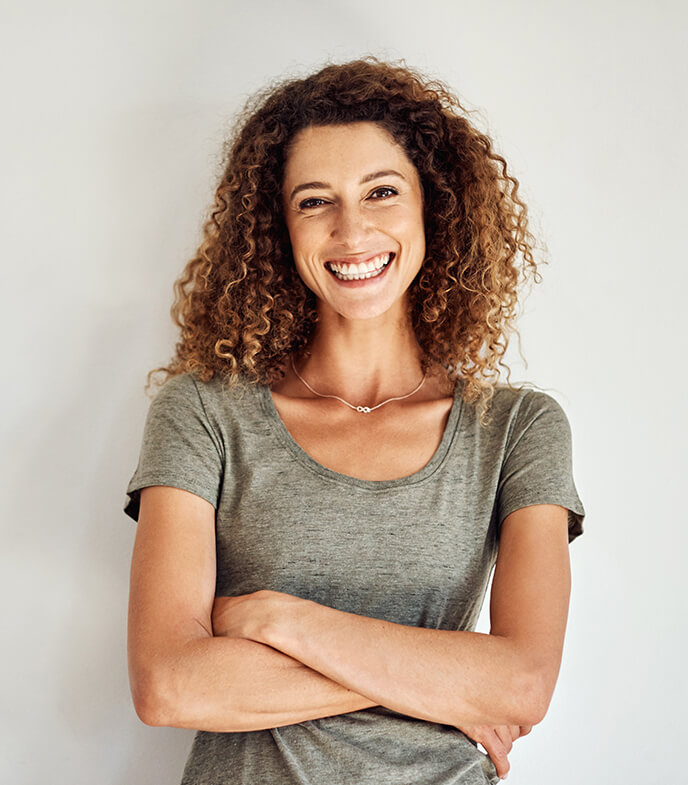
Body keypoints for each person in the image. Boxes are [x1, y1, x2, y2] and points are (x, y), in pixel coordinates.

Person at [124, 58, 584, 785]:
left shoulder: (517, 430)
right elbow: (169, 685)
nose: (351, 229)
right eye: (314, 201)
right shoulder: (204, 411)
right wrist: (445, 677)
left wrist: (278, 619)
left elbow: (523, 684)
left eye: (381, 191)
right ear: (279, 226)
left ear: (432, 205)